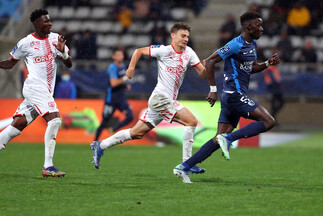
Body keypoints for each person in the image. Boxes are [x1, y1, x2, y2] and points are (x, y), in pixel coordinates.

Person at [172, 11, 280, 183]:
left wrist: (267, 64)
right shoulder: (235, 44)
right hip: (234, 95)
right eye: (258, 25)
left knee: (217, 139)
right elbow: (210, 61)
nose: (262, 28)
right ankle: (229, 139)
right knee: (269, 121)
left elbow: (251, 68)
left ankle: (183, 167)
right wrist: (213, 89)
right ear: (248, 26)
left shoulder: (251, 45)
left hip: (234, 98)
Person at [91, 22, 207, 174]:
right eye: (183, 36)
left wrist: (208, 68)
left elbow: (202, 73)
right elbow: (139, 51)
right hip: (161, 99)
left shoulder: (189, 53)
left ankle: (101, 146)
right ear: (173, 35)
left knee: (136, 133)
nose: (186, 39)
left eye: (187, 37)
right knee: (191, 121)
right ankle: (187, 164)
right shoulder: (164, 50)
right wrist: (131, 68)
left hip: (165, 101)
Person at [0, 9, 73, 177]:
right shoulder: (26, 43)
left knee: (16, 126)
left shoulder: (56, 39)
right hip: (34, 87)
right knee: (54, 120)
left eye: (50, 21)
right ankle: (48, 166)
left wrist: (62, 52)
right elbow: (11, 63)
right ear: (37, 24)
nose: (50, 23)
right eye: (46, 21)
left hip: (44, 91)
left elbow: (69, 64)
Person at [94, 49, 134, 141]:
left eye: (121, 54)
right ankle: (95, 141)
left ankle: (114, 129)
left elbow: (120, 81)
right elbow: (113, 83)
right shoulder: (112, 67)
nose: (120, 56)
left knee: (130, 116)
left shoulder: (123, 66)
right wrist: (125, 78)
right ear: (114, 57)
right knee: (104, 122)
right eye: (118, 55)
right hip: (111, 99)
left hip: (121, 99)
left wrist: (125, 86)